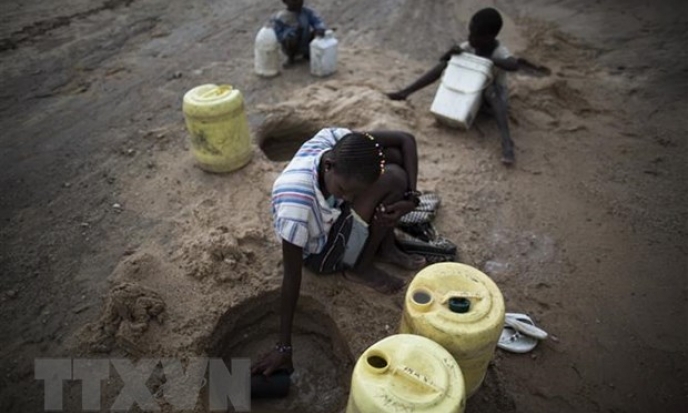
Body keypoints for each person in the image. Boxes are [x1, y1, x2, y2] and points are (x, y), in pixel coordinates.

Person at [251, 128, 426, 377]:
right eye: (344, 190)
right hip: (322, 255)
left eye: (354, 193)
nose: (351, 197)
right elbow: (291, 276)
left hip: (331, 219)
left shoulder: (334, 141)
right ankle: (359, 266)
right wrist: (283, 346)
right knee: (395, 177)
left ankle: (385, 244)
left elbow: (406, 139)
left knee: (394, 159)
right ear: (329, 165)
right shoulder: (296, 203)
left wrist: (411, 198)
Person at [387, 8, 521, 165]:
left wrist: (489, 60)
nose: (470, 37)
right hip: (470, 94)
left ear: (490, 37)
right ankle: (405, 93)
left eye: (475, 34)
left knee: (493, 93)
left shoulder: (499, 51)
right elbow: (443, 60)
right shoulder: (470, 46)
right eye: (470, 32)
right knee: (446, 64)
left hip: (489, 101)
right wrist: (450, 52)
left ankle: (507, 143)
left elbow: (513, 64)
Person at [272, 0, 326, 66]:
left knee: (317, 34)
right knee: (290, 39)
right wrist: (287, 36)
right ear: (285, 1)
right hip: (291, 43)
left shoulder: (306, 12)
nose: (298, 2)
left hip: (306, 40)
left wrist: (319, 28)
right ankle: (291, 57)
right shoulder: (281, 17)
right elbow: (278, 34)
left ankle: (307, 53)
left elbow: (317, 20)